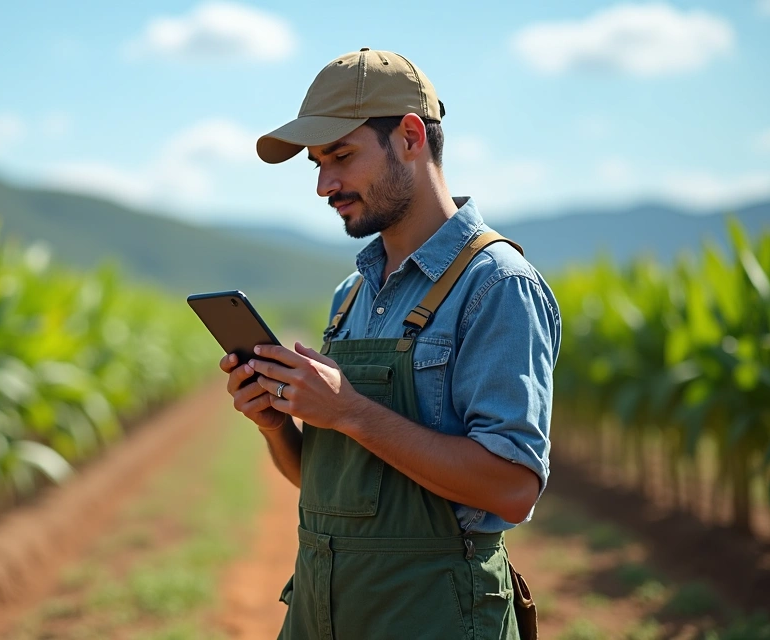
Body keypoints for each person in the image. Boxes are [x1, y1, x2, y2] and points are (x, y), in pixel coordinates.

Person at [219, 48, 561, 639]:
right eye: (316, 165)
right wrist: (276, 425)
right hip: (324, 612)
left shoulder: (496, 285)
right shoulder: (350, 295)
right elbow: (343, 492)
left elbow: (512, 488)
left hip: (433, 617)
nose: (324, 185)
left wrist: (349, 410)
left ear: (409, 137)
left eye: (341, 156)